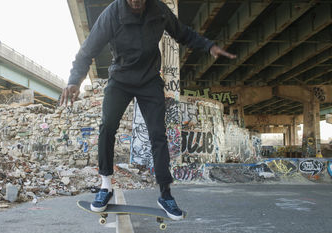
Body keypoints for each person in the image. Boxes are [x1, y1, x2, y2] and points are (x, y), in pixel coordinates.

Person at [60, 0, 236, 220]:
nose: (135, 2)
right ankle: (106, 186)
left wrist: (208, 45)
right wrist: (75, 80)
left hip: (149, 81)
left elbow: (183, 33)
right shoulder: (112, 14)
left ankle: (165, 194)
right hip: (120, 79)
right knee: (107, 128)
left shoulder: (159, 10)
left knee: (158, 135)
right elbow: (88, 50)